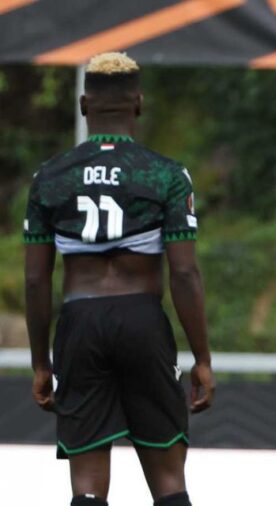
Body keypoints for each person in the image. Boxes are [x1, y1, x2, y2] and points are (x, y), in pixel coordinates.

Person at [23, 52, 214, 506]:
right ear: (139, 104)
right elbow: (184, 272)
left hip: (79, 323)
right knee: (169, 481)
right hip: (142, 320)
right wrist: (202, 357)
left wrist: (40, 363)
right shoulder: (167, 174)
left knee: (86, 484)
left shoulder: (49, 178)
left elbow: (35, 282)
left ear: (85, 105)